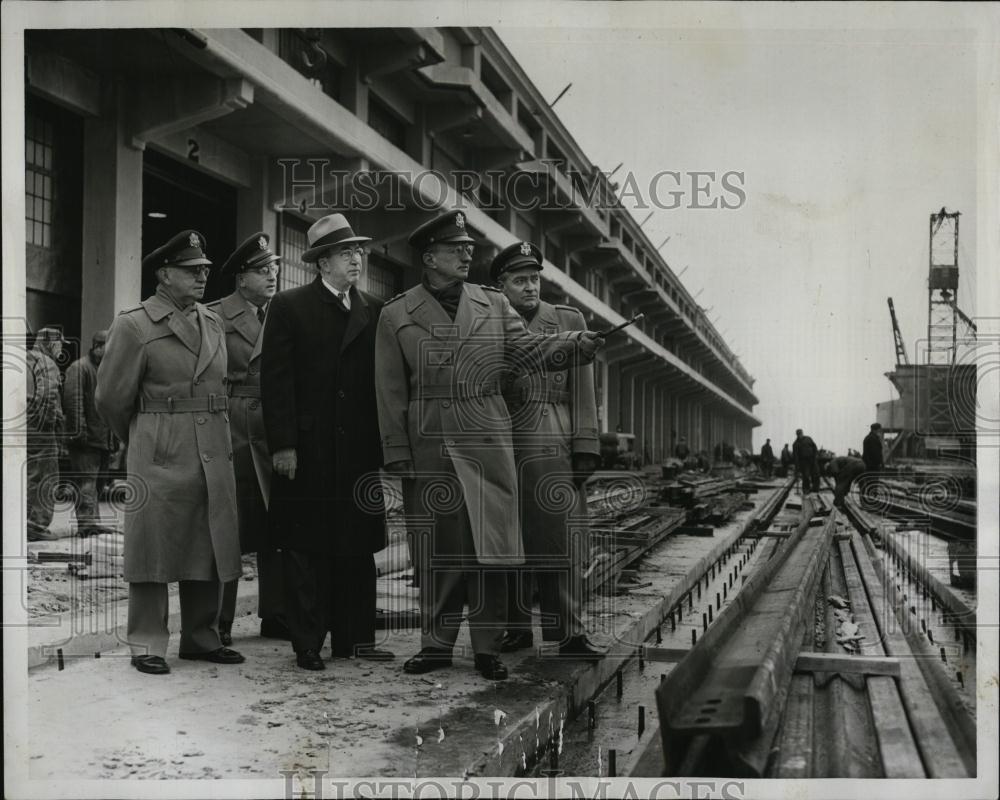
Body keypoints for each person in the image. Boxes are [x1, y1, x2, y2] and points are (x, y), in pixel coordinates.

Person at [375, 210, 605, 681]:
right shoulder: (395, 313)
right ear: (429, 257)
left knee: (491, 548)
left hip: (487, 433)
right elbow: (389, 389)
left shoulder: (491, 303)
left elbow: (527, 352)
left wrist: (576, 346)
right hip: (430, 438)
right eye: (455, 248)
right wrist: (396, 450)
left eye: (468, 248)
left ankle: (487, 648)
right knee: (436, 550)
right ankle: (436, 646)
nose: (467, 253)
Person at [96, 230, 245, 675]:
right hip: (161, 448)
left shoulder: (213, 320)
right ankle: (147, 643)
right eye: (191, 270)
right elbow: (110, 398)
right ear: (164, 274)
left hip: (213, 449)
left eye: (204, 269)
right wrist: (145, 435)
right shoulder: (134, 323)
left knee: (208, 542)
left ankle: (201, 637)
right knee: (152, 550)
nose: (202, 276)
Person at [261, 213, 393, 671]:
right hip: (308, 448)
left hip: (357, 449)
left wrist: (386, 448)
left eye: (359, 250)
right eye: (345, 252)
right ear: (321, 262)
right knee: (307, 549)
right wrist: (283, 445)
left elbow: (385, 385)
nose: (356, 258)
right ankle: (307, 641)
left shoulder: (375, 309)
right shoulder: (289, 306)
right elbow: (275, 383)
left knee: (356, 548)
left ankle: (355, 639)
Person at [492, 241, 604, 661]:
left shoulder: (567, 320)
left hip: (554, 436)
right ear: (500, 286)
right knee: (508, 541)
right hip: (502, 439)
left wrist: (586, 447)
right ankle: (516, 629)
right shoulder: (488, 321)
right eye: (519, 280)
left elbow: (584, 392)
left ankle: (569, 634)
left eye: (534, 279)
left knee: (561, 542)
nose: (530, 287)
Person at [207, 233, 287, 647]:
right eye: (262, 269)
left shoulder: (282, 312)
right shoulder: (215, 316)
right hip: (233, 424)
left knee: (278, 522)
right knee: (229, 528)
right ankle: (219, 621)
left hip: (274, 425)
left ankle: (276, 614)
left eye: (274, 267)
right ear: (241, 279)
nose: (272, 274)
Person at [62, 330, 117, 537]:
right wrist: (79, 432)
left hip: (102, 438)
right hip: (86, 439)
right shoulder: (79, 368)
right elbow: (73, 402)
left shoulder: (106, 370)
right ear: (97, 347)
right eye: (107, 348)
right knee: (86, 482)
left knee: (98, 483)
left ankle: (92, 521)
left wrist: (114, 437)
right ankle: (86, 524)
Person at [26, 327, 65, 541]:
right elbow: (47, 395)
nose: (60, 348)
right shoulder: (46, 363)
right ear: (50, 343)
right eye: (59, 343)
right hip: (39, 428)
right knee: (46, 476)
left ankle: (23, 522)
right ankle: (36, 525)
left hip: (21, 425)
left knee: (29, 475)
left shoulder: (25, 358)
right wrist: (50, 424)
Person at [792, 428, 820, 495]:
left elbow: (814, 447)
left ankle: (815, 489)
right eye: (798, 434)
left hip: (812, 460)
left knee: (816, 474)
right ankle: (806, 490)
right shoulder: (795, 444)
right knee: (806, 476)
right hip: (804, 462)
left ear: (802, 433)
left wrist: (816, 455)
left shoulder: (808, 438)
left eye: (800, 434)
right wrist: (797, 467)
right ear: (797, 435)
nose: (800, 435)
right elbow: (795, 456)